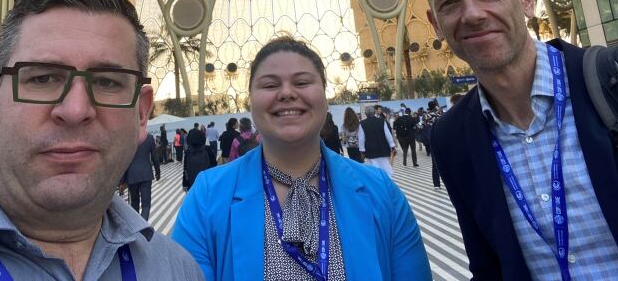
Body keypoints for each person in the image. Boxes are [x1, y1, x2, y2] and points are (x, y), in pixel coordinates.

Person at [0, 0, 203, 280]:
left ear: (140, 115)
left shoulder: (177, 269)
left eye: (107, 82)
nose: (75, 111)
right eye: (43, 78)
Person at [421, 0, 618, 280]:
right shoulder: (452, 137)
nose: (472, 14)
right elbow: (489, 266)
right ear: (436, 24)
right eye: (450, 3)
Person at [172, 36, 431, 280]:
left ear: (325, 97)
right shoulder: (207, 197)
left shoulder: (380, 191)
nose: (286, 93)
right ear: (251, 101)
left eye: (302, 82)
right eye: (270, 85)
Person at [121, 133, 161, 220]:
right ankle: (143, 227)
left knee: (134, 202)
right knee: (146, 203)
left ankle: (136, 225)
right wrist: (158, 172)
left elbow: (123, 160)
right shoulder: (149, 138)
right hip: (145, 174)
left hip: (132, 175)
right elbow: (155, 157)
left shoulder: (127, 138)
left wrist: (122, 180)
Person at [358, 105, 396, 178]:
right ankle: (387, 182)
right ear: (374, 112)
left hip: (370, 151)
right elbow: (388, 134)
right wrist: (392, 146)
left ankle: (378, 184)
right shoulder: (382, 121)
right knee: (385, 168)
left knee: (373, 170)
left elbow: (361, 139)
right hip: (383, 148)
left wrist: (362, 151)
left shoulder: (362, 124)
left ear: (365, 114)